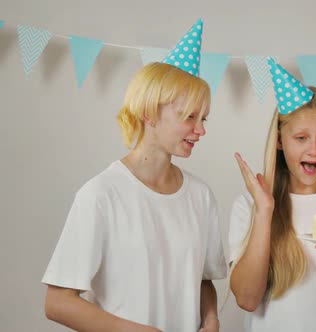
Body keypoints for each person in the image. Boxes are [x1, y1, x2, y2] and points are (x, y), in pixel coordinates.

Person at [42, 19, 227, 332]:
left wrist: (211, 319)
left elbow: (202, 280)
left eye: (203, 118)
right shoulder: (101, 194)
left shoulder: (200, 195)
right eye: (189, 117)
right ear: (150, 113)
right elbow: (58, 302)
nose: (201, 130)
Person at [228, 59, 316, 332]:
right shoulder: (250, 206)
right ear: (280, 141)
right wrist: (264, 213)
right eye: (301, 138)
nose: (314, 151)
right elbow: (247, 299)